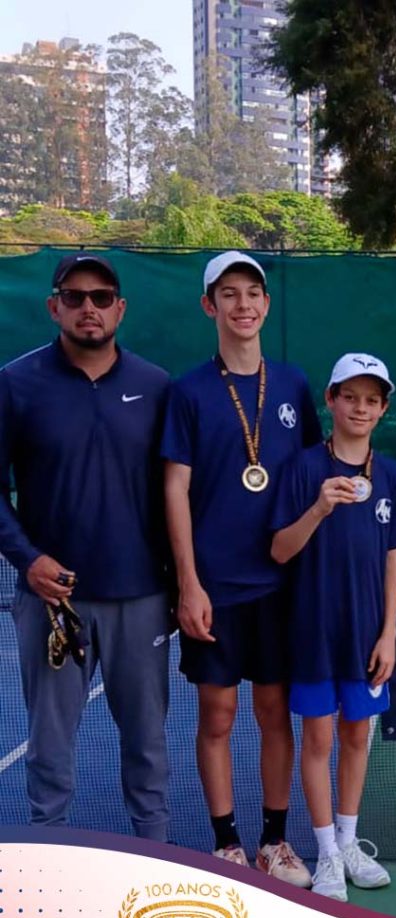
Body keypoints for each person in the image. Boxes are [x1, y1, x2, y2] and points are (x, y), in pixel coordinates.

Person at [0, 252, 171, 839]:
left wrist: (184, 584)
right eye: (74, 297)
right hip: (52, 602)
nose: (88, 307)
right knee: (49, 747)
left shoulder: (156, 386)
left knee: (147, 744)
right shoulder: (16, 383)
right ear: (54, 307)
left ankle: (154, 859)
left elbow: (178, 493)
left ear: (120, 308)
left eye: (101, 297)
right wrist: (28, 561)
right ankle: (50, 856)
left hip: (141, 597)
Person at [162, 250, 320, 884]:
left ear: (267, 305)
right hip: (216, 589)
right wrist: (189, 584)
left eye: (252, 293)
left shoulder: (293, 385)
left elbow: (313, 473)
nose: (243, 304)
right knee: (218, 716)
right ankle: (225, 843)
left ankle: (274, 842)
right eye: (229, 294)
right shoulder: (188, 392)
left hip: (282, 586)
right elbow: (175, 489)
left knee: (276, 713)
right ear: (210, 306)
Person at [270, 353, 396, 902]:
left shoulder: (391, 476)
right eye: (349, 397)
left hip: (367, 637)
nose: (360, 408)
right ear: (330, 400)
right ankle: (326, 852)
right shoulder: (303, 468)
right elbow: (280, 551)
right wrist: (318, 510)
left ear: (383, 410)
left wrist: (389, 633)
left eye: (371, 400)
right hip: (312, 632)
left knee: (357, 736)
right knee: (319, 738)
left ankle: (350, 843)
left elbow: (395, 558)